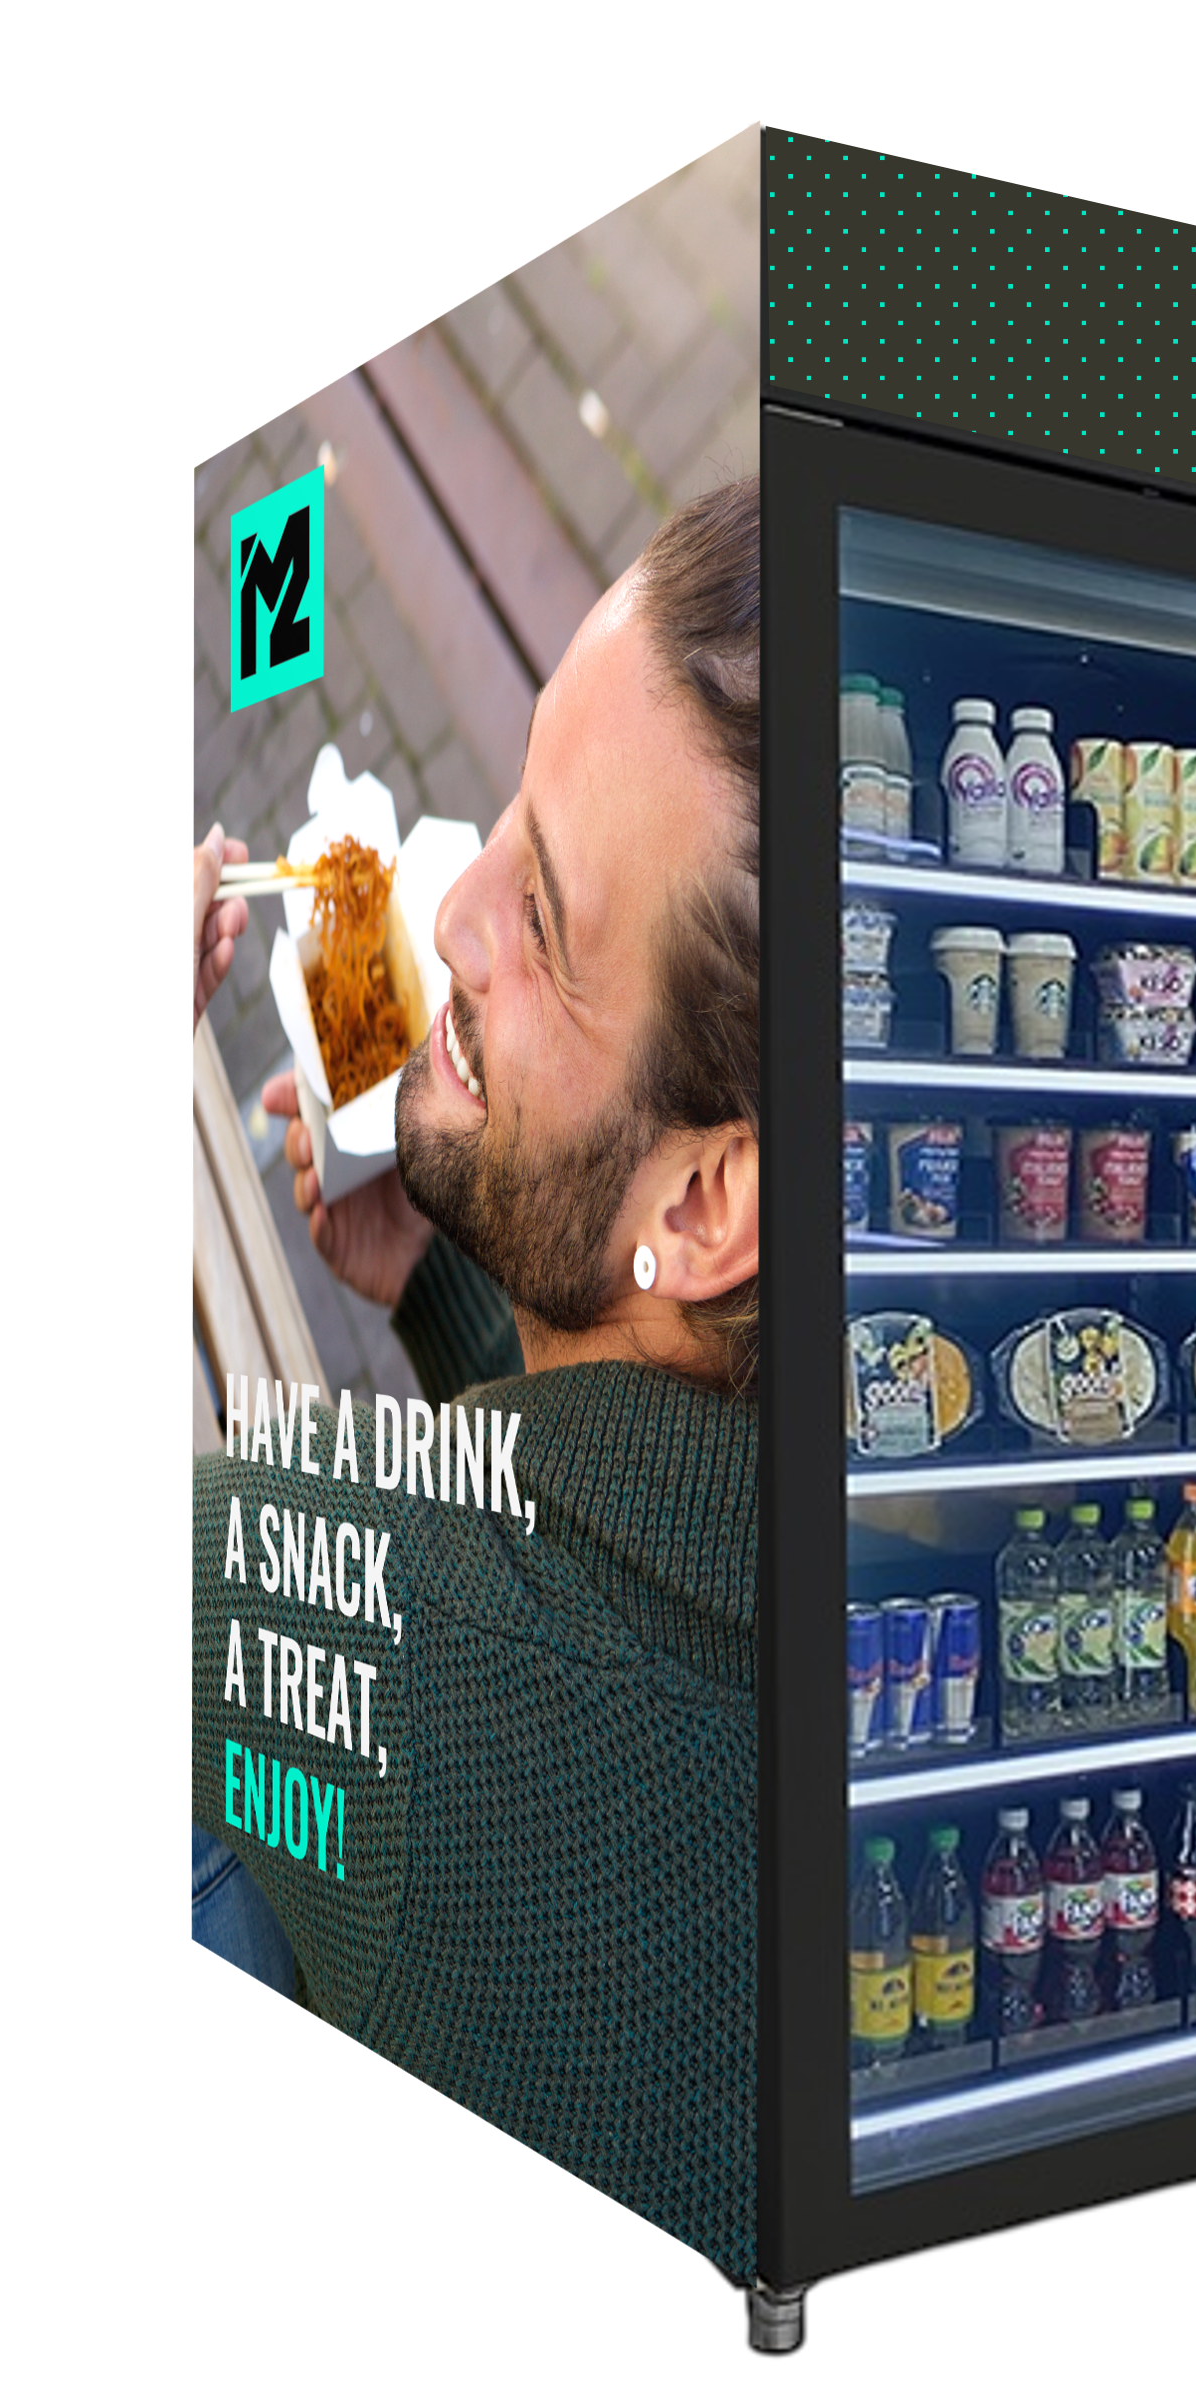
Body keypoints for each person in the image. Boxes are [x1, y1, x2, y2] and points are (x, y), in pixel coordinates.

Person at [190, 479, 763, 2275]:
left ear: (707, 1198)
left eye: (550, 930)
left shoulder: (330, 1585)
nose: (451, 916)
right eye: (511, 810)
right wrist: (450, 1298)